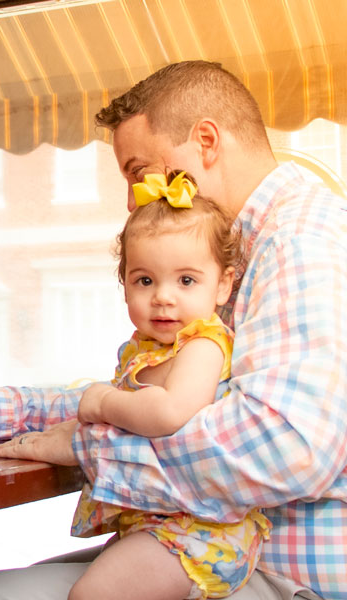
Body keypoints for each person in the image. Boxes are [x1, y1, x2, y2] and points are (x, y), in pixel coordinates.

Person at [0, 60, 347, 599]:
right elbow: (141, 397)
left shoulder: (306, 245)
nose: (134, 198)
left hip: (335, 579)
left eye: (140, 172)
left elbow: (281, 447)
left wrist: (86, 448)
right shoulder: (240, 257)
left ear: (207, 143)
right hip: (238, 545)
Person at [67, 172, 268, 600]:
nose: (163, 296)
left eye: (186, 280)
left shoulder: (205, 345)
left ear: (224, 285)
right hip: (158, 520)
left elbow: (167, 412)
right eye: (145, 280)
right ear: (124, 286)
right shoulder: (141, 350)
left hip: (204, 532)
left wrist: (103, 401)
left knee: (92, 595)